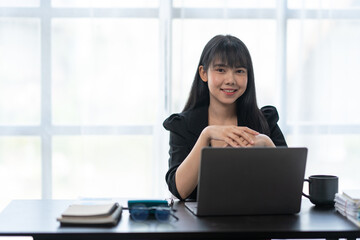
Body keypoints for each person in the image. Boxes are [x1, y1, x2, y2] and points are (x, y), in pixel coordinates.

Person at [163, 34, 287, 201]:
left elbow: (289, 186)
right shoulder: (183, 124)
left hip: (257, 223)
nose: (231, 80)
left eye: (239, 71)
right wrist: (206, 135)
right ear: (203, 73)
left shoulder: (265, 120)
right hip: (198, 225)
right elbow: (180, 191)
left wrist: (265, 142)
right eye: (221, 70)